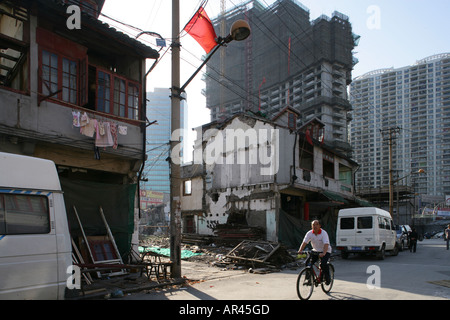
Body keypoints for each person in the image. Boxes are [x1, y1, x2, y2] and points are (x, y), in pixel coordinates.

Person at [298, 220, 332, 285]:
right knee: (308, 263)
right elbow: (304, 242)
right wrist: (300, 250)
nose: (315, 226)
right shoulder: (309, 233)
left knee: (323, 264)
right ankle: (308, 279)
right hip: (315, 250)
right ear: (311, 226)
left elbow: (326, 244)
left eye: (316, 224)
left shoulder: (323, 233)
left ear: (319, 226)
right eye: (313, 225)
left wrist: (324, 253)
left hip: (325, 250)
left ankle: (327, 278)